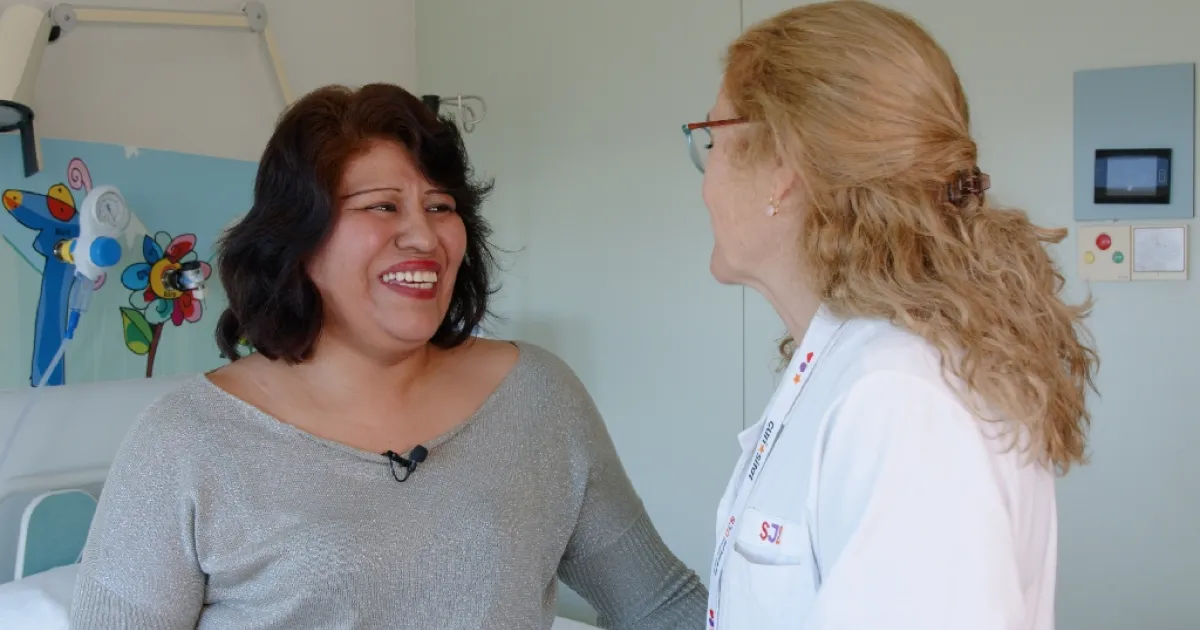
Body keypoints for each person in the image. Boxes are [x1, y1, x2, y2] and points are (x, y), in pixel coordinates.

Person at [71, 83, 705, 629]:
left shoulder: (538, 395)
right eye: (382, 206)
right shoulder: (186, 442)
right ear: (300, 237)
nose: (423, 235)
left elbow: (661, 606)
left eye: (440, 207)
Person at [682, 2, 1098, 628]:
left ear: (782, 171)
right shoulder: (855, 365)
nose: (704, 178)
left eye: (713, 139)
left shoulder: (901, 398)